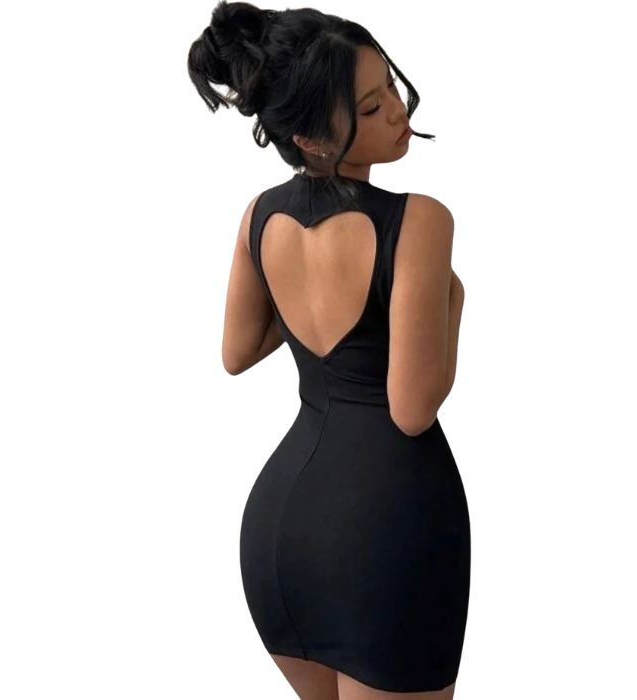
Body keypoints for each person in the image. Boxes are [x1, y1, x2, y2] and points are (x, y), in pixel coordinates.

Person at [188, 3, 468, 698]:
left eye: (390, 87)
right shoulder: (419, 221)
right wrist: (451, 300)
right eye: (370, 108)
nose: (397, 113)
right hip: (386, 533)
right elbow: (411, 408)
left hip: (280, 539)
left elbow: (237, 350)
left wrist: (314, 307)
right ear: (310, 138)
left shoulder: (259, 216)